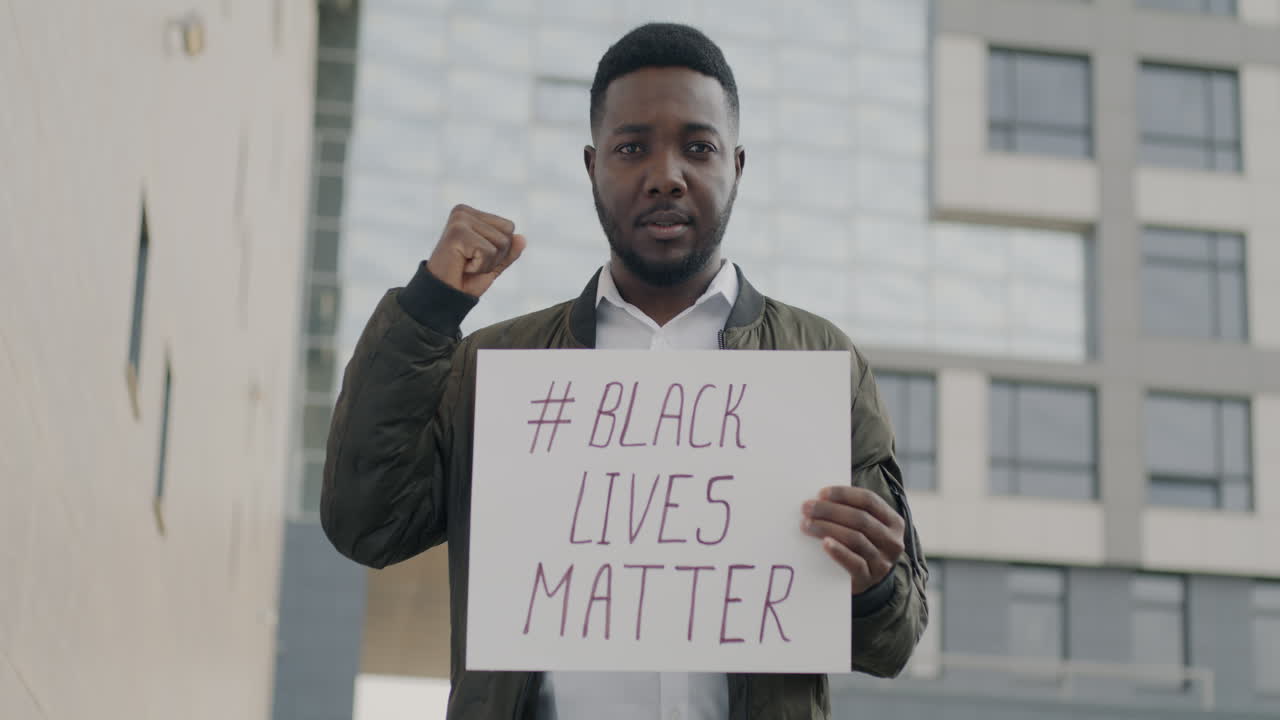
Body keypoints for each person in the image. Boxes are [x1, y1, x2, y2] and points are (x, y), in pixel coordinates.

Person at [322, 22, 928, 720]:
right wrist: (429, 307)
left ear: (737, 164)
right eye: (632, 147)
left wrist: (877, 581)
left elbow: (896, 641)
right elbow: (366, 524)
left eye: (697, 148)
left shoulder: (819, 364)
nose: (665, 174)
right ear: (592, 166)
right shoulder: (499, 368)